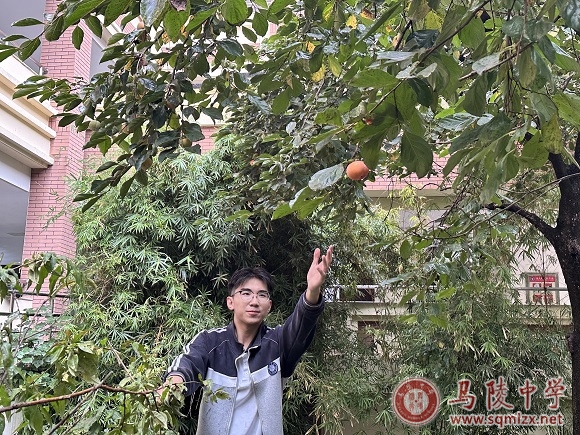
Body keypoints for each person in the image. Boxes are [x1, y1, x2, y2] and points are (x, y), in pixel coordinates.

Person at [158, 246, 333, 435]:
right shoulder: (210, 342)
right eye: (246, 293)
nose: (254, 301)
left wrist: (312, 290)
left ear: (269, 305)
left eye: (262, 295)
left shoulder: (278, 344)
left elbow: (301, 325)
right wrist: (172, 386)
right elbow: (186, 366)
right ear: (230, 302)